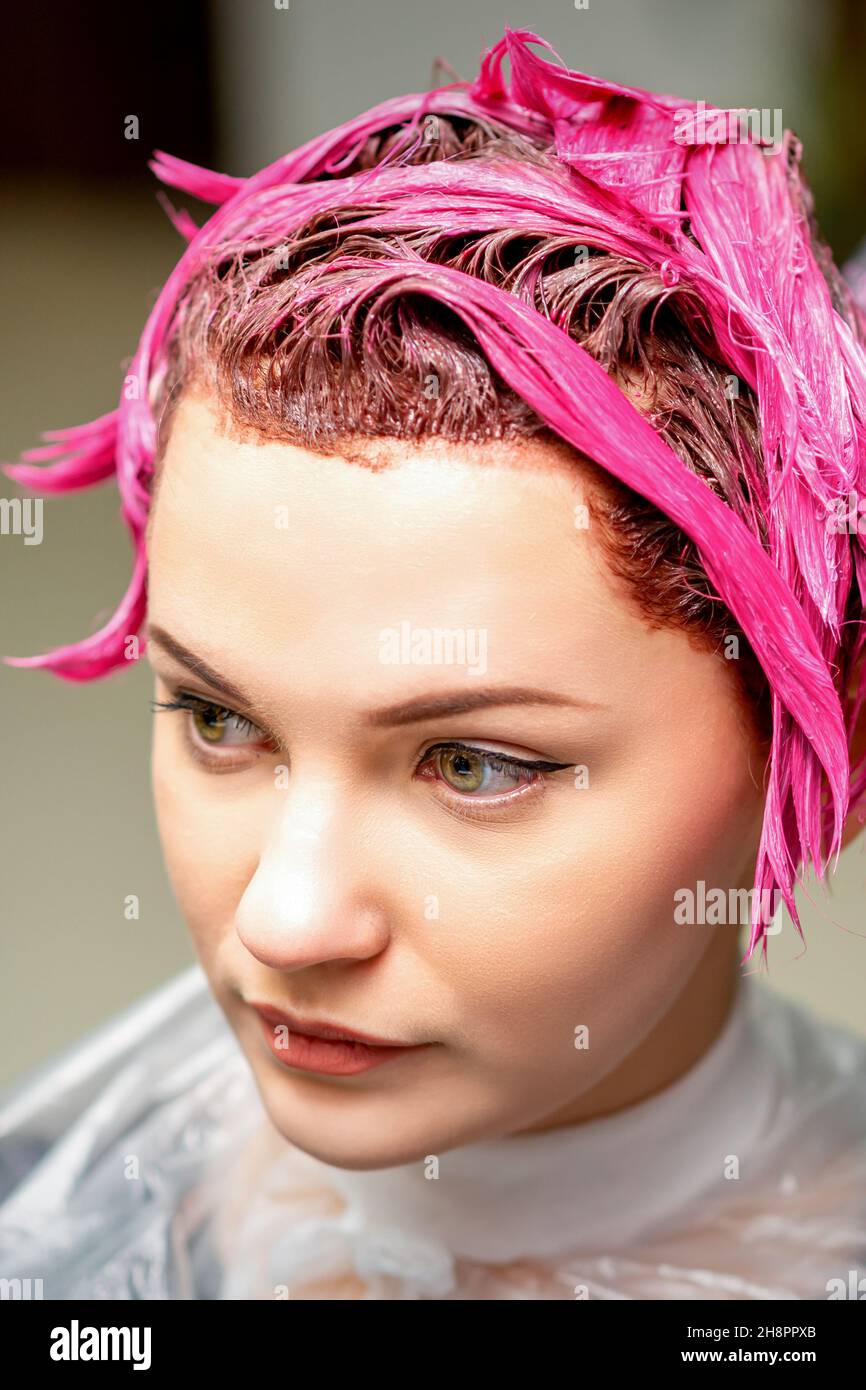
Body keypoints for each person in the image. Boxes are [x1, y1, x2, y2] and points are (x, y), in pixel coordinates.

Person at [1, 26, 865, 1301]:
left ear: (820, 730)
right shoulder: (55, 1208)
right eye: (218, 720)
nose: (283, 922)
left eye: (472, 763)